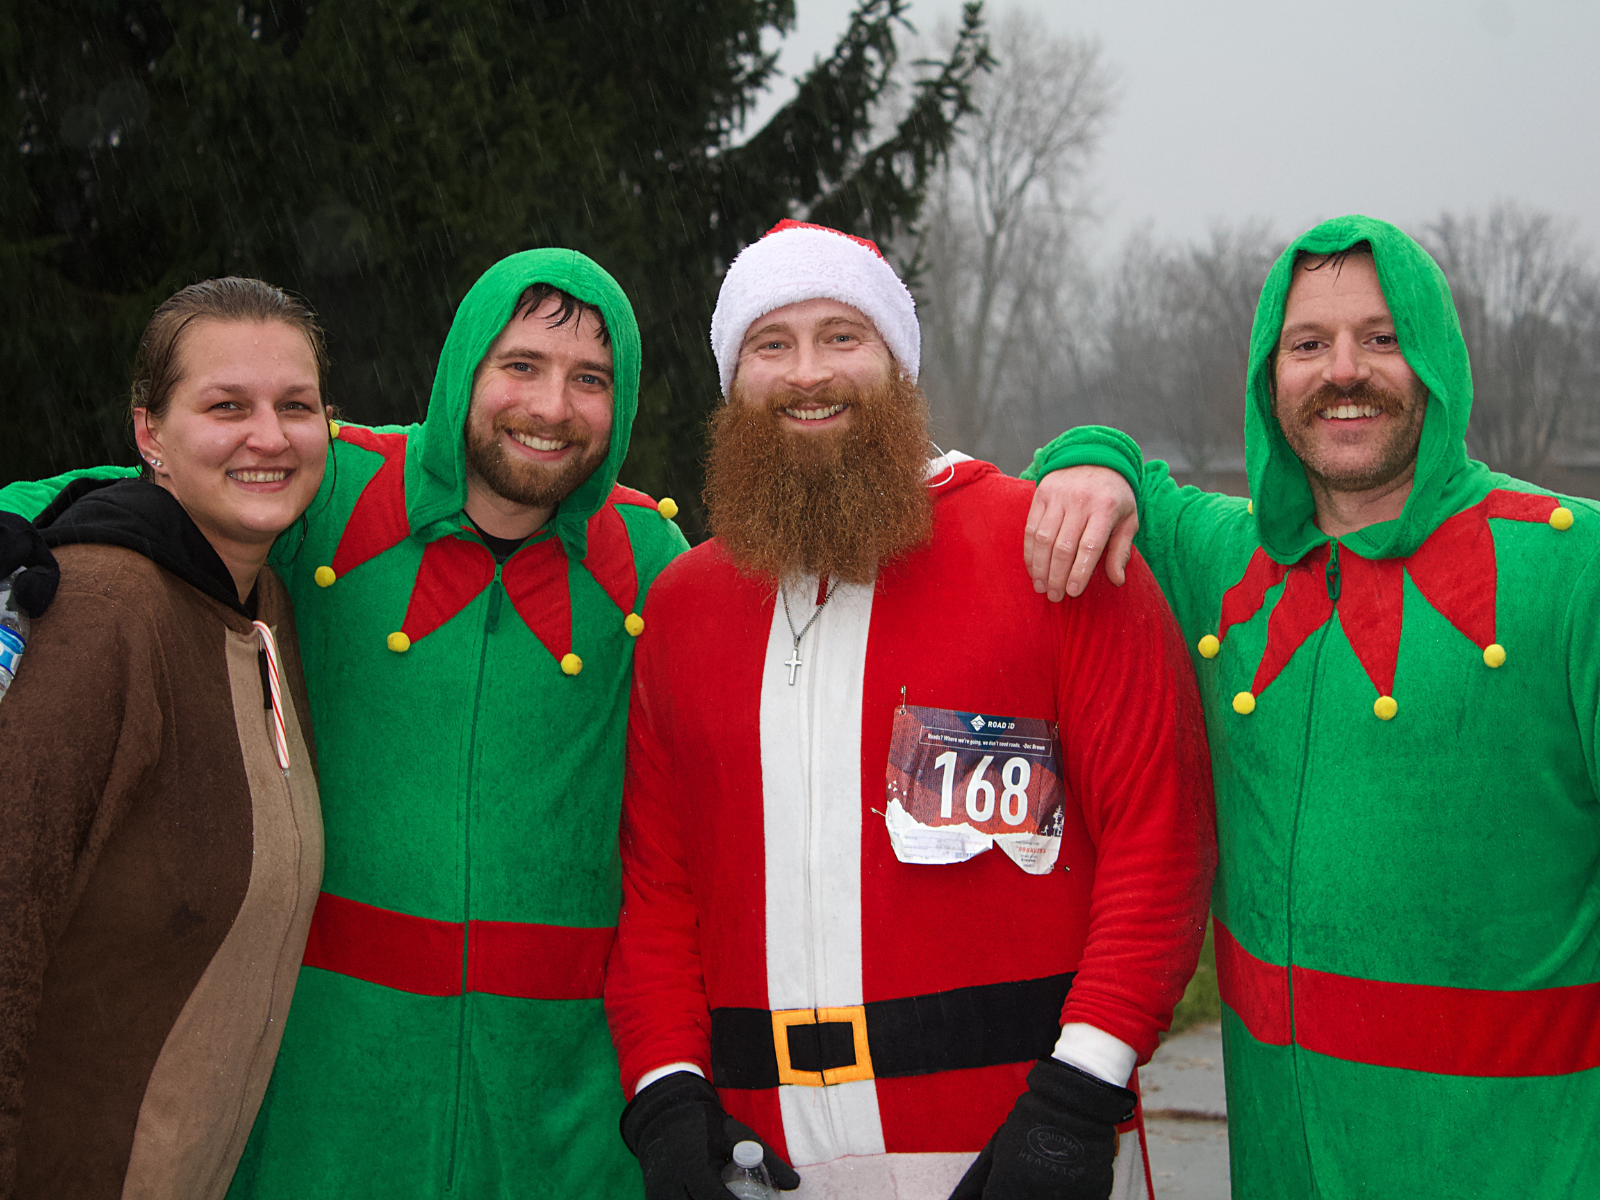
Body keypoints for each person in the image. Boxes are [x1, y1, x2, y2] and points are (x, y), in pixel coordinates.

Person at [0, 250, 689, 1198]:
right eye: (520, 365)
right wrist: (25, 527)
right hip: (324, 1084)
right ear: (463, 372)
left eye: (590, 379)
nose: (552, 406)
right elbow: (159, 491)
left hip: (559, 1106)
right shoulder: (337, 485)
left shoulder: (646, 554)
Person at [603, 220, 1216, 1200]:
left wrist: (1077, 1098)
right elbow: (658, 892)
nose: (809, 373)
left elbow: (1158, 846)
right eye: (772, 344)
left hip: (1012, 1143)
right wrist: (667, 1097)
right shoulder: (685, 606)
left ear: (898, 363)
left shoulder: (1050, 552)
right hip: (764, 1157)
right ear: (734, 379)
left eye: (843, 336)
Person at [1020, 215, 1600, 1197]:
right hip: (1284, 1166)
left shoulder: (1573, 563)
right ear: (1267, 375)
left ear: (1434, 359)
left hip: (1526, 1165)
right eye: (1307, 345)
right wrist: (1090, 462)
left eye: (1380, 338)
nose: (1343, 370)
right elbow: (1107, 469)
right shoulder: (1220, 557)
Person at [0, 278, 330, 1198]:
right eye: (226, 405)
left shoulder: (264, 607)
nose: (268, 436)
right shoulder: (101, 611)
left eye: (295, 406)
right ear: (149, 433)